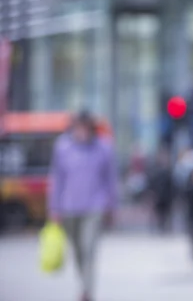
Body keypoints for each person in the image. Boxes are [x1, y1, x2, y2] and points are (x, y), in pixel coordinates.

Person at [47, 111, 118, 301]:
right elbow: (57, 179)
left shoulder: (103, 148)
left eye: (86, 127)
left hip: (95, 207)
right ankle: (84, 283)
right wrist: (54, 208)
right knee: (78, 251)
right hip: (69, 207)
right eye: (79, 127)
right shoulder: (63, 147)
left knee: (89, 250)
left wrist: (112, 206)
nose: (82, 132)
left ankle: (87, 292)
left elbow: (110, 180)